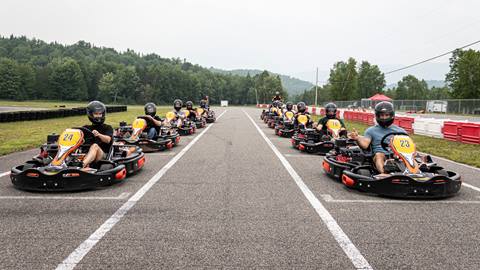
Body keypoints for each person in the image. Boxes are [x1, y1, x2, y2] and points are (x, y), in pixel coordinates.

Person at [348, 101, 406, 178]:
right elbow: (365, 145)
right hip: (381, 155)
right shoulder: (371, 130)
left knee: (411, 157)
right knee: (379, 155)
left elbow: (409, 145)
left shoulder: (401, 131)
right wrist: (357, 138)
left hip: (399, 155)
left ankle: (416, 172)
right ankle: (384, 173)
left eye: (387, 115)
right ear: (377, 116)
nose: (384, 118)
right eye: (382, 115)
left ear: (392, 115)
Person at [82, 101, 113, 169]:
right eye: (96, 114)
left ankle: (82, 165)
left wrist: (99, 135)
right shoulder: (85, 128)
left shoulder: (107, 127)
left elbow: (108, 140)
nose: (98, 116)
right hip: (86, 153)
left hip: (102, 155)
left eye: (100, 114)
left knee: (95, 146)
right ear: (91, 114)